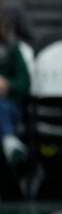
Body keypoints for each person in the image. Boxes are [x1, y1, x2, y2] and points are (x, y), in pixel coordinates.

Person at [0, 10, 31, 166]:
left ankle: (8, 138)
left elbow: (24, 83)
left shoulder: (13, 50)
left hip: (9, 106)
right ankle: (9, 139)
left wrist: (7, 85)